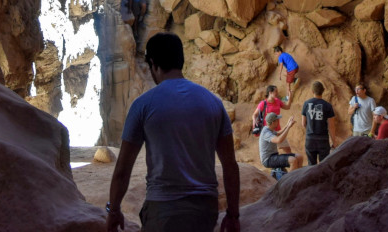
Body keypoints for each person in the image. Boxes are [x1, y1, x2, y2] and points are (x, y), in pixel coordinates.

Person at [108, 33, 240, 232]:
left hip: (162, 209)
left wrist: (114, 210)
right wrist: (233, 215)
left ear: (153, 63)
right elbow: (230, 166)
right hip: (205, 211)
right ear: (181, 60)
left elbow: (122, 170)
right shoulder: (213, 103)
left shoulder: (143, 105)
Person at [301, 80, 337, 164]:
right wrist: (333, 141)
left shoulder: (306, 104)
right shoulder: (327, 106)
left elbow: (303, 124)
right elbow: (331, 126)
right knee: (323, 165)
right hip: (323, 139)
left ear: (312, 91)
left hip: (310, 139)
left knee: (311, 165)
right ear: (323, 90)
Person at [258, 113, 301, 179]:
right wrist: (288, 127)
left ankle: (298, 178)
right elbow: (278, 140)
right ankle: (287, 183)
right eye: (277, 120)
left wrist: (287, 125)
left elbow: (278, 133)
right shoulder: (266, 132)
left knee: (299, 157)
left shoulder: (269, 128)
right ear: (273, 122)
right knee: (293, 160)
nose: (278, 121)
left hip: (274, 156)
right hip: (268, 159)